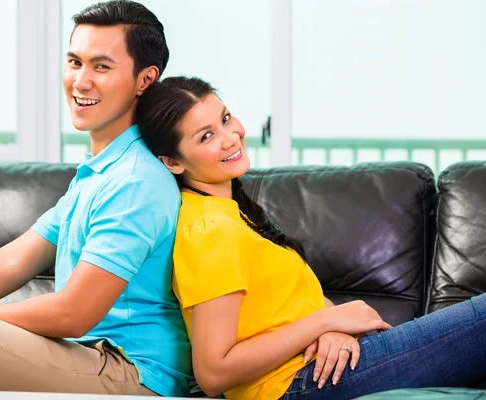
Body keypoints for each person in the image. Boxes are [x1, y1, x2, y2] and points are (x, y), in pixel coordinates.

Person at [0, 1, 193, 396]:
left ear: (144, 80)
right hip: (90, 359)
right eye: (74, 62)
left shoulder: (136, 181)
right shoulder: (104, 169)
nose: (80, 81)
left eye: (101, 66)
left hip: (132, 372)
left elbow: (74, 313)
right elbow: (12, 261)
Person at [135, 76, 486, 400]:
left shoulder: (233, 213)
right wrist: (325, 323)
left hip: (322, 362)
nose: (230, 137)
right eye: (206, 136)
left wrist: (333, 331)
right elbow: (213, 372)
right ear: (172, 162)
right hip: (297, 384)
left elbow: (298, 308)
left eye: (225, 118)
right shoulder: (209, 230)